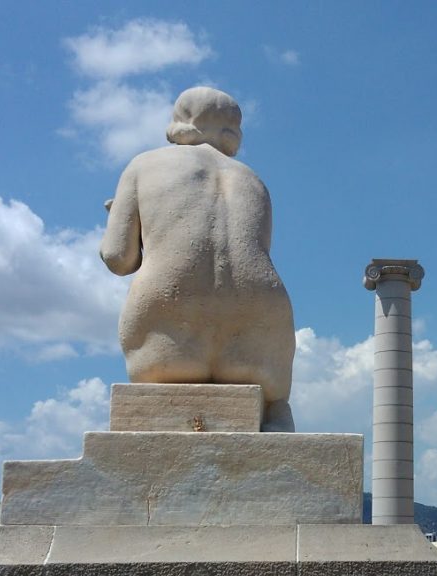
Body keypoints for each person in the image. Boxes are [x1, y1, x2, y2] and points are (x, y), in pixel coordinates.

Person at [100, 86, 296, 431]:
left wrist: (117, 216)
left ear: (180, 122)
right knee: (274, 405)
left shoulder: (144, 164)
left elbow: (119, 258)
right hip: (260, 329)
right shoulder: (254, 181)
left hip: (170, 326)